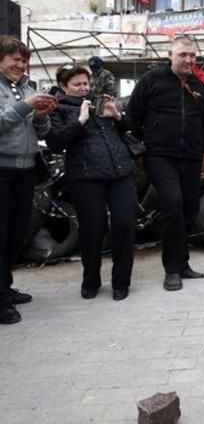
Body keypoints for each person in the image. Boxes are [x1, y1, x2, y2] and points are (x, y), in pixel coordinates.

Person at [127, 36, 204, 291]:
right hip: (159, 156)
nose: (188, 60)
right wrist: (140, 151)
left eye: (192, 56)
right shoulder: (151, 81)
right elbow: (133, 117)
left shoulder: (198, 85)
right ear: (170, 55)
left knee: (188, 209)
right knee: (172, 204)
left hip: (191, 157)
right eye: (183, 55)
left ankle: (183, 263)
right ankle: (172, 269)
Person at [46, 64, 137, 301]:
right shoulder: (58, 108)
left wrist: (117, 116)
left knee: (125, 223)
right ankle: (91, 280)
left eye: (85, 83)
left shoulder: (101, 102)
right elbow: (55, 142)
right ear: (63, 87)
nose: (83, 88)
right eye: (77, 84)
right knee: (93, 228)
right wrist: (80, 121)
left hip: (120, 171)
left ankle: (121, 281)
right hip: (85, 177)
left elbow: (132, 131)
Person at [0, 35, 56, 324]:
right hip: (2, 169)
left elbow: (42, 132)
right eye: (14, 59)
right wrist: (26, 106)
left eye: (23, 60)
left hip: (25, 169)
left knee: (16, 232)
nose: (20, 65)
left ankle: (5, 288)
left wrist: (42, 115)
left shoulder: (26, 88)